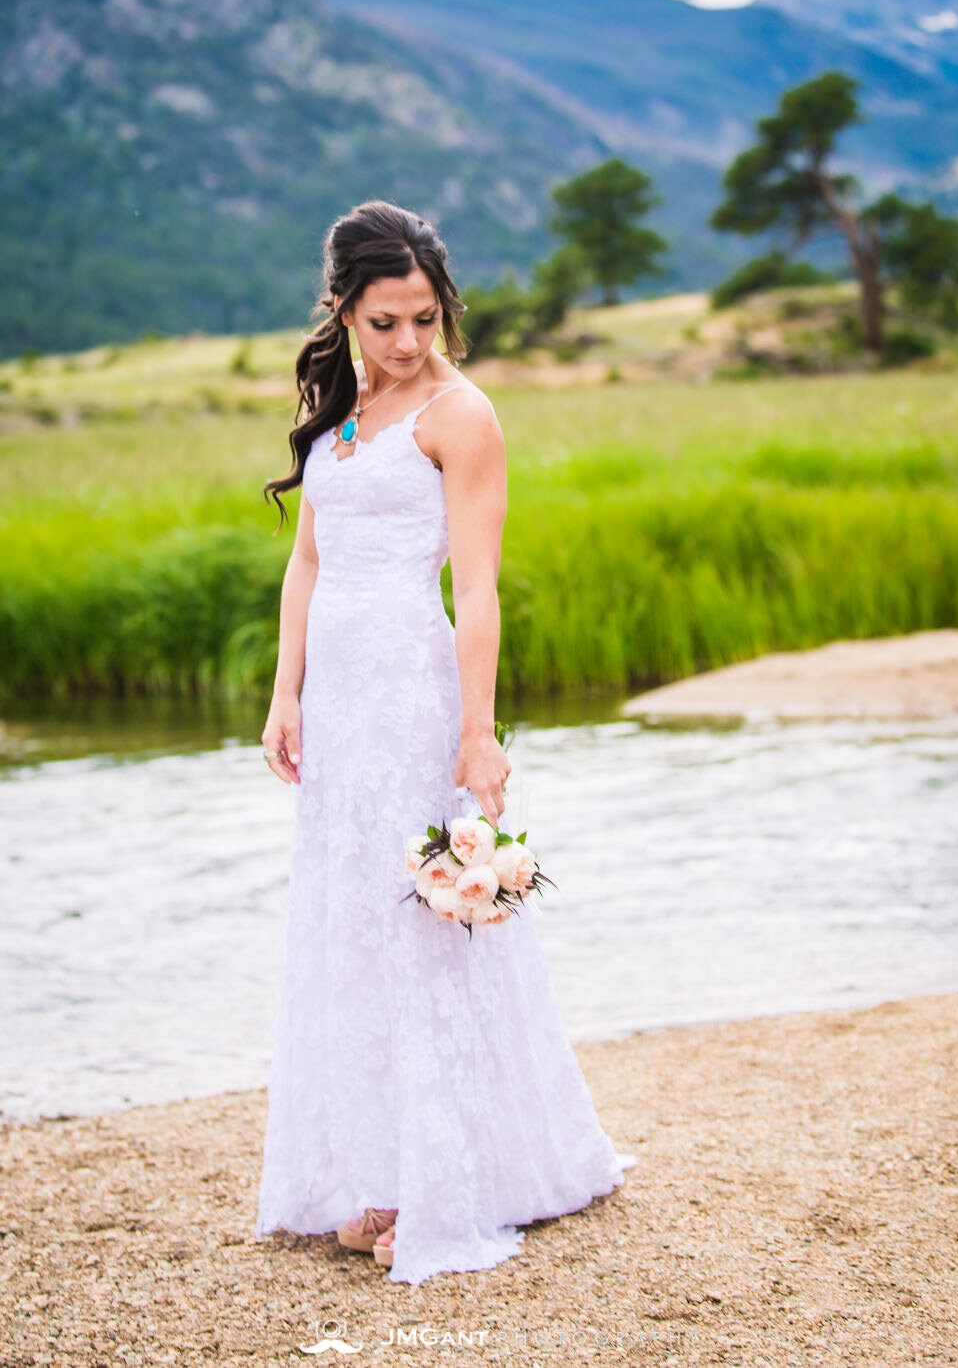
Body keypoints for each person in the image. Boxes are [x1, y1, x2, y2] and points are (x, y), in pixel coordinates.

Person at [253, 199, 635, 1285]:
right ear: (339, 311)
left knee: (416, 922)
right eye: (384, 321)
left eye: (424, 316)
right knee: (345, 920)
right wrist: (287, 697)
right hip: (339, 706)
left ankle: (424, 1181)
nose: (408, 342)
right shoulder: (337, 417)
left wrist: (476, 732)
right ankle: (367, 1160)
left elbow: (478, 592)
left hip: (414, 697)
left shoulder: (460, 416)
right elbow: (307, 567)